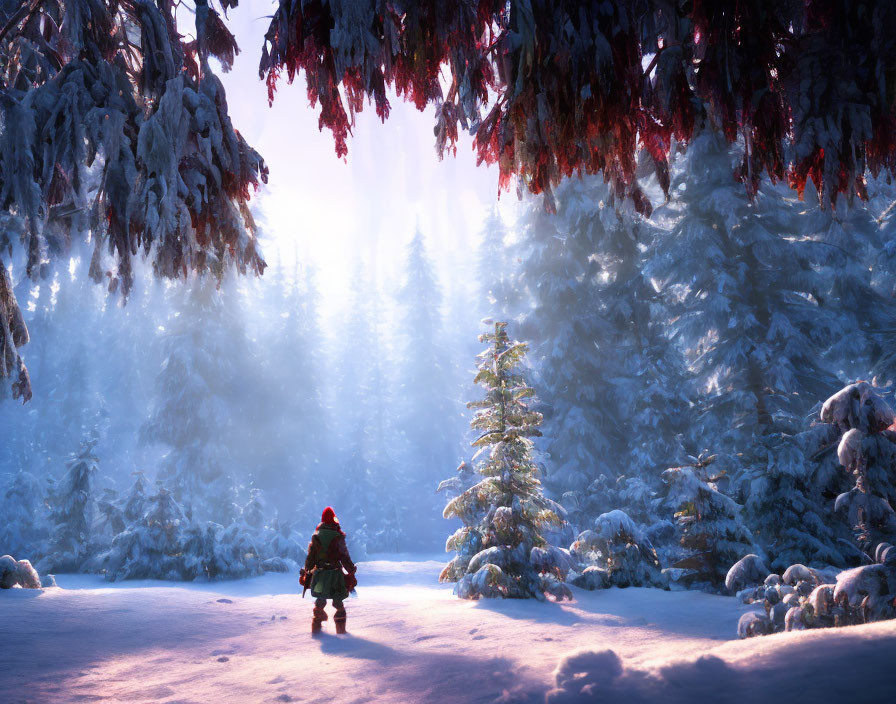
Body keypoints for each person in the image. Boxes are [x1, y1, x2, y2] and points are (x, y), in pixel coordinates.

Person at [302, 506, 357, 634]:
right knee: (338, 602)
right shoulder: (338, 536)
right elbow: (344, 556)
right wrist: (351, 569)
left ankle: (316, 631)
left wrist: (307, 571)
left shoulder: (316, 536)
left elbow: (310, 558)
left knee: (320, 601)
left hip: (320, 575)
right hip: (335, 576)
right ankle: (341, 631)